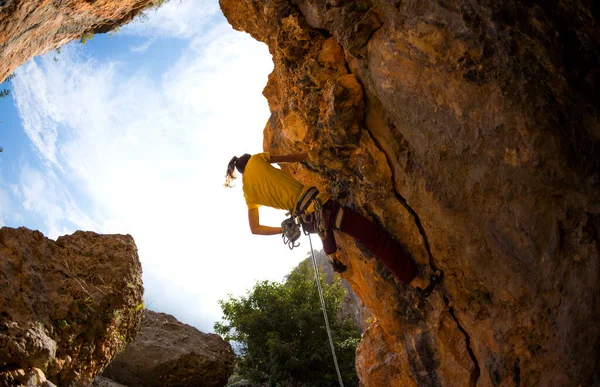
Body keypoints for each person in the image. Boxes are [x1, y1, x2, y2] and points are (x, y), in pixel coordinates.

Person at [224, 152, 439, 292]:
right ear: (249, 159)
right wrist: (307, 154)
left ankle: (332, 255)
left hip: (307, 217)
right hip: (320, 206)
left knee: (326, 227)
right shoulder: (256, 159)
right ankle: (417, 281)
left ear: (240, 172)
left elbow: (255, 229)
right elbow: (289, 156)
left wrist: (282, 229)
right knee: (375, 238)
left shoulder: (248, 193)